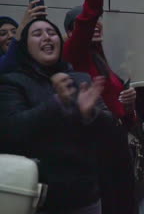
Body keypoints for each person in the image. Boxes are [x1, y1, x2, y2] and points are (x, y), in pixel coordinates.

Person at [0, 18, 114, 214]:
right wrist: (57, 103)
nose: (46, 37)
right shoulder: (12, 83)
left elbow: (110, 130)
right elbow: (12, 131)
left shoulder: (81, 79)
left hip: (84, 196)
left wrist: (89, 114)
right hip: (38, 199)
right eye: (37, 34)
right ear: (25, 47)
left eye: (51, 33)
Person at [61, 0, 135, 213]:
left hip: (117, 147)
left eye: (99, 22)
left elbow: (119, 107)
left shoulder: (100, 60)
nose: (97, 24)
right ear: (73, 33)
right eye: (88, 23)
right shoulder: (75, 54)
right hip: (96, 149)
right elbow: (91, 8)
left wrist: (128, 105)